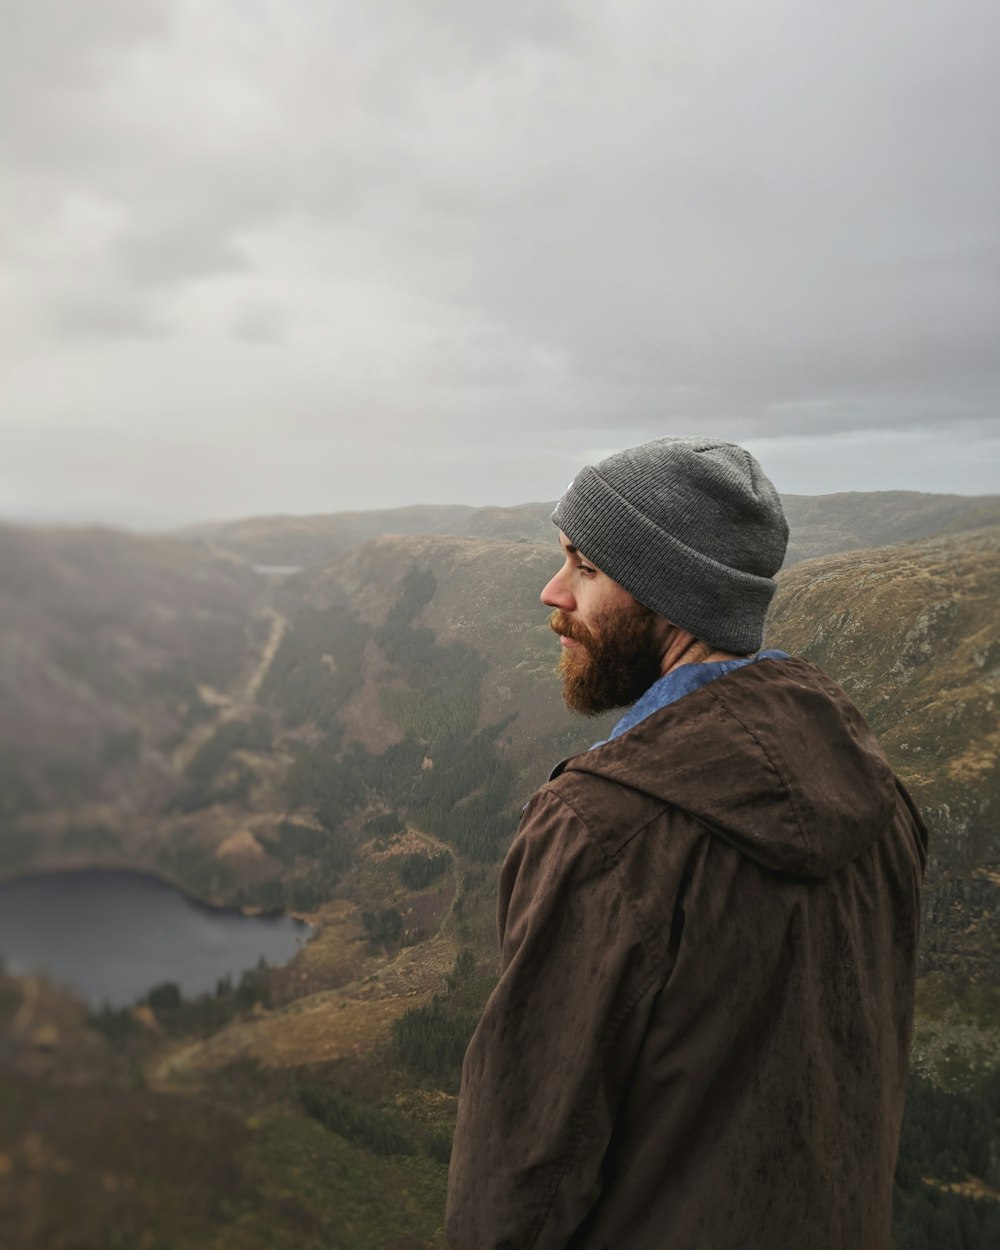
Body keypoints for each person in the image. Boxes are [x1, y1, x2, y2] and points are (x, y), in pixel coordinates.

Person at [445, 437, 926, 1250]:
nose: (551, 591)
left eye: (585, 567)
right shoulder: (880, 798)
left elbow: (520, 1178)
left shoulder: (601, 832)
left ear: (668, 593)